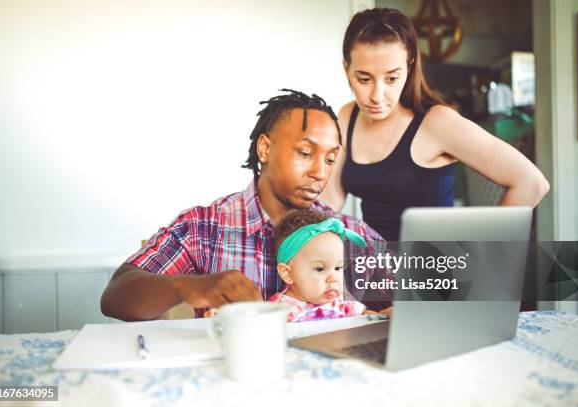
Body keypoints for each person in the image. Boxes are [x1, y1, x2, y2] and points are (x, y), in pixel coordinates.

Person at [100, 89, 385, 321]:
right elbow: (116, 296)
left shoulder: (346, 231)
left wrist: (397, 310)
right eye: (305, 152)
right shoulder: (203, 227)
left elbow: (424, 284)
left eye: (330, 159)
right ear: (265, 148)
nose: (320, 173)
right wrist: (187, 286)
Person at [320, 8, 550, 241]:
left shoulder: (438, 123)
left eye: (392, 78)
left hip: (431, 271)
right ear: (346, 68)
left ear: (409, 67)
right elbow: (330, 200)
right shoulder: (348, 116)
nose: (377, 95)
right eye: (364, 79)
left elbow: (531, 183)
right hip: (373, 268)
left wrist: (483, 256)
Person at [268, 208, 392, 322]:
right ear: (287, 273)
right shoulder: (277, 312)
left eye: (338, 268)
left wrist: (384, 315)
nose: (333, 278)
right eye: (320, 269)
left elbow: (367, 318)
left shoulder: (340, 305)